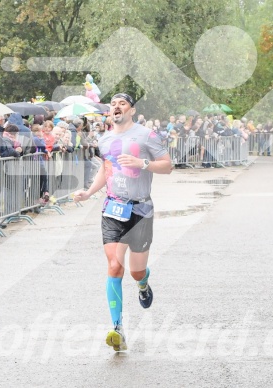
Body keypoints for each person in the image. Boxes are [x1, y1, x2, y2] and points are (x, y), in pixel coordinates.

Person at [73, 93, 172, 352]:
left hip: (141, 210)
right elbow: (106, 170)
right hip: (112, 209)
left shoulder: (147, 135)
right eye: (113, 104)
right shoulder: (104, 138)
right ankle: (118, 328)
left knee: (135, 270)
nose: (117, 107)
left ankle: (142, 283)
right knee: (115, 266)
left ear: (132, 110)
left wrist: (143, 163)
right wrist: (89, 192)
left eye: (122, 104)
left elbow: (168, 165)